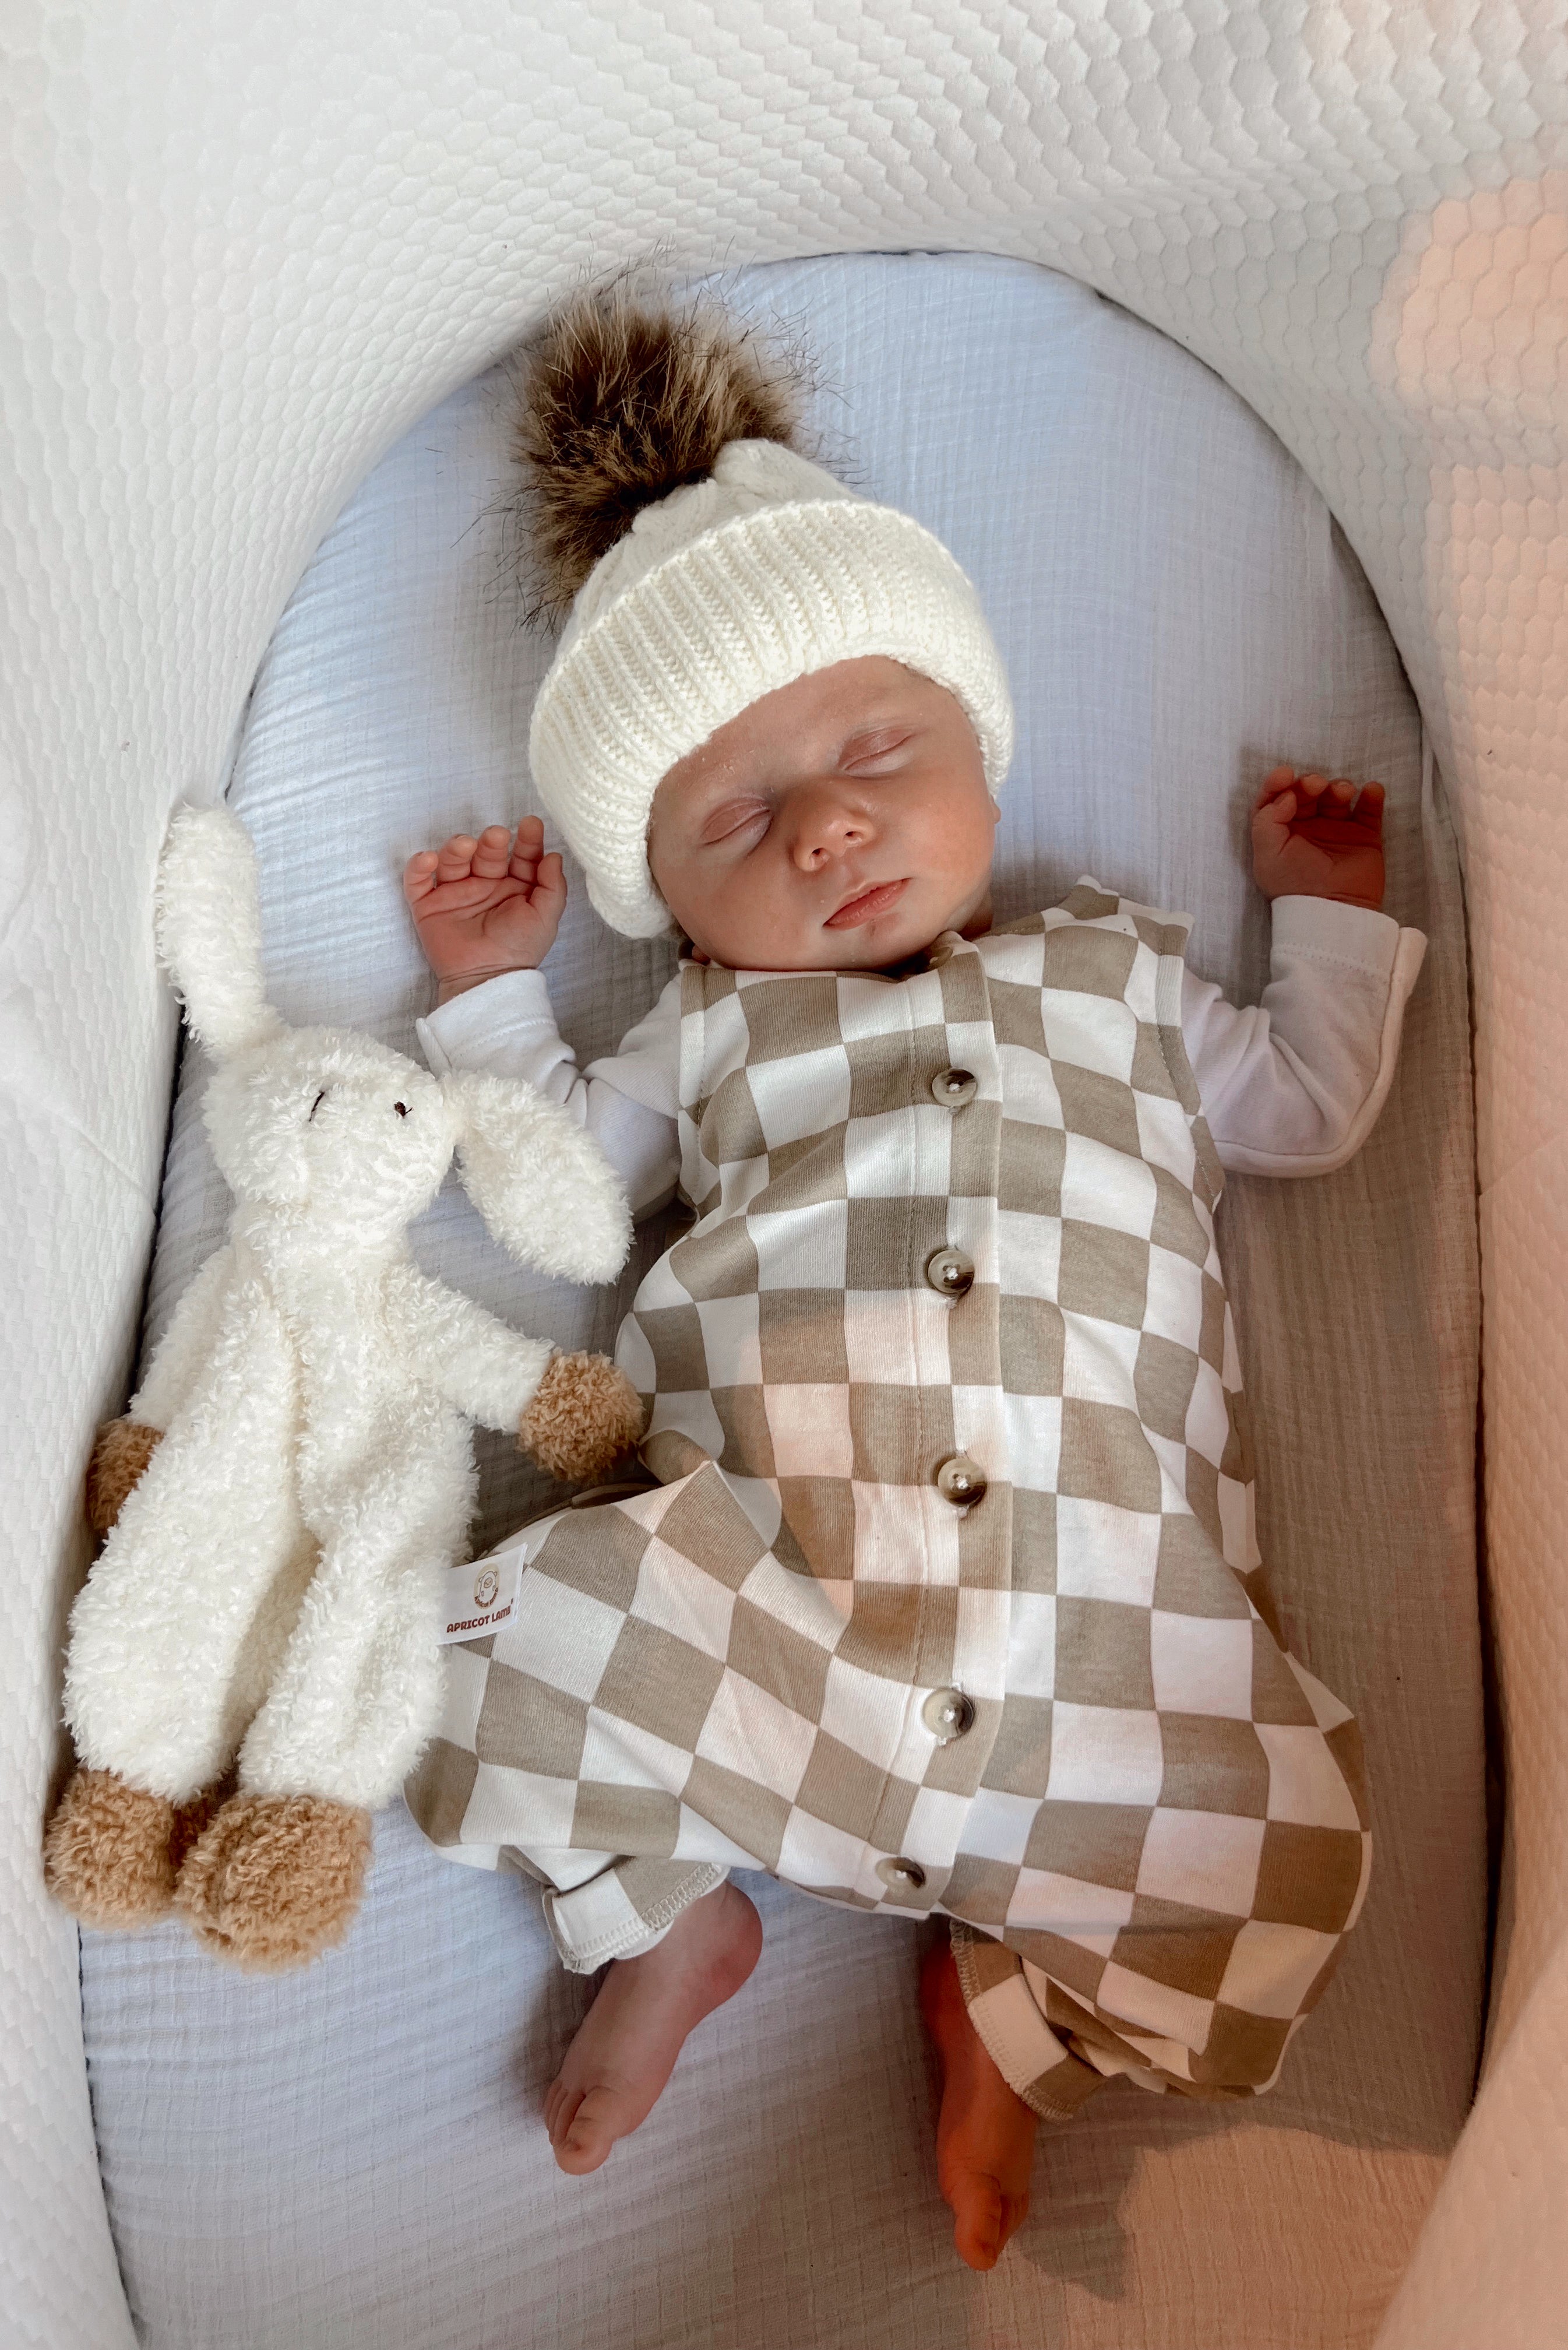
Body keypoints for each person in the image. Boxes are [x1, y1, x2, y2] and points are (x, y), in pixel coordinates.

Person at [401, 284, 1425, 2271]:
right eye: (734, 817)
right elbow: (554, 1194)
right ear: (668, 897)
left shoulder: (1116, 977)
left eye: (876, 743)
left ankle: (1004, 2008)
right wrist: (493, 1003)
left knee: (1281, 1872)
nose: (828, 823)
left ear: (975, 738)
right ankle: (666, 1915)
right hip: (779, 1608)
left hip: (1097, 1638)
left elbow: (1302, 1111)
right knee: (462, 1676)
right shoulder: (703, 1040)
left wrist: (1327, 926)